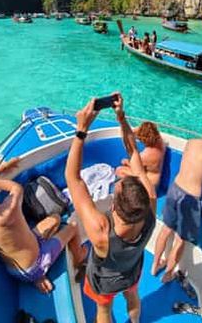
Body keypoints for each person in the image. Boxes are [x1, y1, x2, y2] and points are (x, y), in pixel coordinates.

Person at [66, 94, 156, 323]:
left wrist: (81, 129)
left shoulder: (101, 231)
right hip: (132, 271)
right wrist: (121, 118)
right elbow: (134, 154)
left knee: (104, 310)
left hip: (104, 282)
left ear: (114, 205)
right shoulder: (151, 208)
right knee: (133, 297)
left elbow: (73, 178)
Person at [0, 158, 87, 294]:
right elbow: (14, 187)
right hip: (35, 265)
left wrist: (0, 171)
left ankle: (38, 276)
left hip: (14, 269)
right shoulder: (8, 211)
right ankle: (79, 258)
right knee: (73, 226)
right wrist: (0, 171)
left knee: (55, 219)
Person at [152, 117, 202, 282]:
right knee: (180, 239)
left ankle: (155, 265)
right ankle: (168, 274)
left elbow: (196, 163)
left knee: (166, 229)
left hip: (175, 188)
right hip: (190, 198)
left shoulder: (191, 142)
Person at [115, 121, 165, 188]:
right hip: (155, 180)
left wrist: (126, 162)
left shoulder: (146, 155)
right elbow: (147, 130)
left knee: (120, 170)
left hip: (148, 185)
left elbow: (136, 169)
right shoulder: (160, 141)